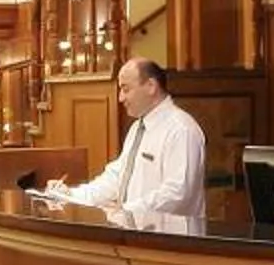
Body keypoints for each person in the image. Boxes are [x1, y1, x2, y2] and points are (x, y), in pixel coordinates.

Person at [48, 58, 206, 216]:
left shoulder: (181, 130)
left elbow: (177, 194)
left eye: (126, 89)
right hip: (135, 233)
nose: (120, 98)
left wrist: (126, 211)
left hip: (170, 237)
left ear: (151, 86)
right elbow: (117, 177)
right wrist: (71, 195)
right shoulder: (137, 127)